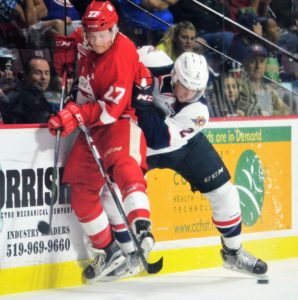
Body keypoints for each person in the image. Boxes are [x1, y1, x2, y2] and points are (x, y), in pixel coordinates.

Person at [104, 47, 268, 277]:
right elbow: (122, 54)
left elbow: (159, 138)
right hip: (137, 140)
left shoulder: (199, 112)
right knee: (110, 192)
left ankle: (234, 253)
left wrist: (141, 100)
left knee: (224, 192)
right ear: (175, 75)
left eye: (195, 88)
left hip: (180, 146)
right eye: (184, 85)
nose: (188, 92)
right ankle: (128, 253)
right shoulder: (154, 60)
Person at [48, 1, 155, 283]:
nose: (95, 40)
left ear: (114, 28)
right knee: (81, 189)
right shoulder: (89, 38)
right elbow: (78, 42)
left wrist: (75, 113)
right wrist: (67, 47)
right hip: (90, 126)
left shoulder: (120, 55)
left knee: (124, 165)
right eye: (90, 33)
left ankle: (142, 224)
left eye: (101, 33)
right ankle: (108, 250)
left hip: (117, 122)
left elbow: (110, 111)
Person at [237, 43, 291, 116]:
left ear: (266, 64)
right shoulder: (240, 87)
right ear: (245, 64)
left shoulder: (268, 89)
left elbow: (287, 111)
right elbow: (246, 114)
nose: (258, 66)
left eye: (261, 61)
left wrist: (270, 114)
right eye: (252, 61)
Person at [3, 56, 56, 123]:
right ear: (26, 75)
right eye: (38, 73)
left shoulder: (43, 96)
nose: (43, 77)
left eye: (47, 73)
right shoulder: (22, 98)